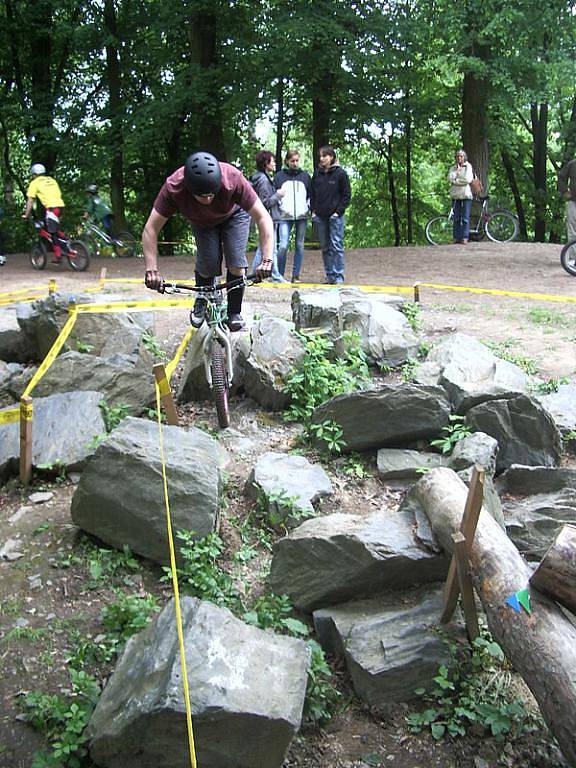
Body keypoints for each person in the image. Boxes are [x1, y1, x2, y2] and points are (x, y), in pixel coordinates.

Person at [143, 151, 273, 332]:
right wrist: (152, 271)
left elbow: (263, 218)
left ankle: (234, 312)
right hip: (201, 221)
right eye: (202, 196)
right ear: (189, 189)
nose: (208, 199)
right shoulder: (174, 187)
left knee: (236, 261)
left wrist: (267, 260)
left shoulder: (233, 178)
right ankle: (202, 298)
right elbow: (151, 229)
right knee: (208, 263)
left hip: (235, 215)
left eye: (212, 194)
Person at [310, 145, 351, 284]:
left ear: (331, 157)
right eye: (320, 156)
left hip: (335, 217)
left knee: (336, 246)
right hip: (320, 216)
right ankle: (330, 275)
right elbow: (312, 193)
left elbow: (346, 195)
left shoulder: (341, 174)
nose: (322, 159)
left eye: (324, 156)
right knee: (325, 247)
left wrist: (337, 212)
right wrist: (313, 211)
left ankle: (339, 276)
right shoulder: (317, 174)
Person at [274, 149, 311, 282]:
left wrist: (309, 208)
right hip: (284, 216)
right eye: (292, 161)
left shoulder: (305, 176)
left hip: (302, 215)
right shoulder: (279, 176)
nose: (295, 163)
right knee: (283, 245)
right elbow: (275, 195)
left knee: (300, 245)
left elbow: (310, 195)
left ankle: (296, 275)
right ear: (287, 161)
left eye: (297, 160)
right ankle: (280, 275)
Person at [250, 150, 286, 282]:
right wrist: (279, 195)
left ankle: (255, 274)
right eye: (273, 161)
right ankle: (275, 276)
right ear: (266, 163)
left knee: (264, 247)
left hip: (269, 218)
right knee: (270, 248)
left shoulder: (260, 178)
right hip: (269, 219)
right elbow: (265, 203)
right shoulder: (264, 180)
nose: (275, 164)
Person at [22, 164, 67, 263]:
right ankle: (66, 242)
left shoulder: (34, 183)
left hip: (52, 209)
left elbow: (30, 201)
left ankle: (58, 256)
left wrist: (26, 215)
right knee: (53, 228)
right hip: (61, 207)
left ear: (34, 174)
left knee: (52, 233)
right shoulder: (52, 180)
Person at [448, 149, 474, 244]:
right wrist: (457, 173)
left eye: (461, 156)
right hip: (455, 195)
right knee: (456, 218)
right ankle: (456, 237)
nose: (459, 158)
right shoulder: (453, 168)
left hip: (466, 194)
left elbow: (467, 179)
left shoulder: (468, 167)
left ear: (464, 157)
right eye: (458, 156)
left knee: (465, 218)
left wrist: (455, 181)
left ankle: (465, 237)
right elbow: (449, 178)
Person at [557, 157, 576, 242]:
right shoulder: (572, 164)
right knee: (572, 228)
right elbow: (561, 176)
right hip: (573, 201)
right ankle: (573, 255)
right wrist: (564, 191)